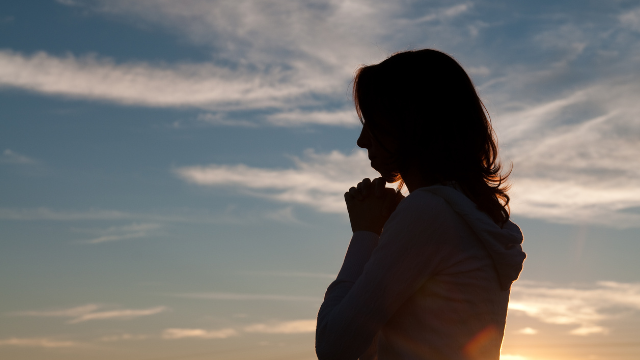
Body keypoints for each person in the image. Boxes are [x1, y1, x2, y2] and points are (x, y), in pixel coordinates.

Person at [315, 49, 526, 360]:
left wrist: (365, 233)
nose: (362, 140)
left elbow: (335, 345)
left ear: (407, 123)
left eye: (373, 123)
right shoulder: (473, 215)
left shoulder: (427, 213)